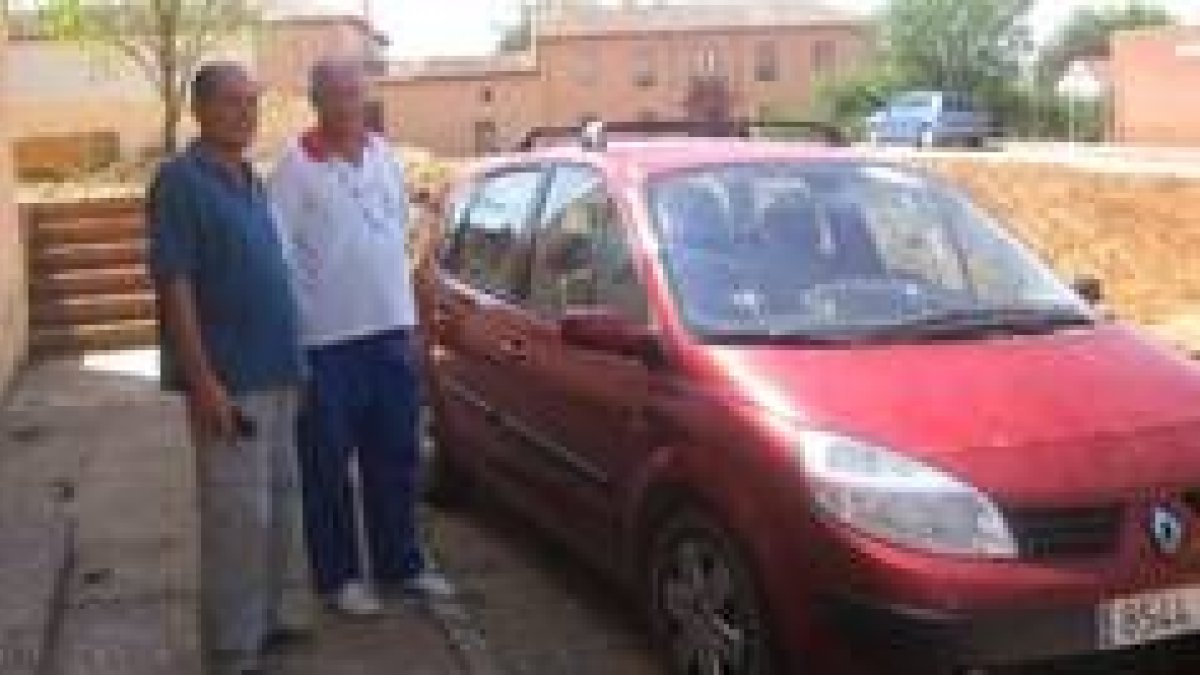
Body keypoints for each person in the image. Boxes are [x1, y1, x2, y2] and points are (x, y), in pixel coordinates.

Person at [271, 58, 454, 616]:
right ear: (316, 100)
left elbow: (401, 236)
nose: (350, 105)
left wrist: (414, 325)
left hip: (390, 335)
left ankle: (403, 564)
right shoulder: (294, 167)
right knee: (326, 467)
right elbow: (277, 263)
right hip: (327, 345)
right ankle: (338, 578)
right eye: (337, 95)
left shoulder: (382, 156)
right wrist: (293, 352)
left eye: (357, 93)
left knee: (395, 457)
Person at [147, 62, 311, 675]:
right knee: (235, 517)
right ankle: (234, 646)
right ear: (200, 109)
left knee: (278, 507)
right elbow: (176, 284)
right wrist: (202, 380)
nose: (248, 113)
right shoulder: (179, 181)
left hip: (276, 372)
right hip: (229, 381)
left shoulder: (251, 177)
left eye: (253, 102)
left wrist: (297, 363)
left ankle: (269, 621)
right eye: (234, 103)